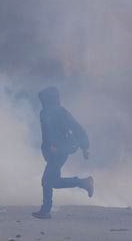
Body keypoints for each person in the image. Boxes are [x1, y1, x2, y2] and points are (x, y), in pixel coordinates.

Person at [32, 86, 93, 219]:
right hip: (52, 152)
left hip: (60, 150)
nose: (43, 101)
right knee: (54, 181)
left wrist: (84, 147)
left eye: (45, 99)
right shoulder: (44, 113)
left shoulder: (60, 112)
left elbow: (77, 128)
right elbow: (47, 134)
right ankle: (84, 183)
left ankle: (46, 210)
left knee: (47, 181)